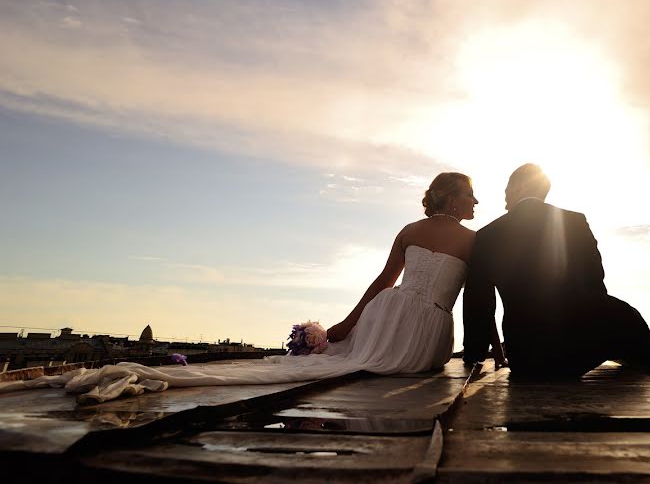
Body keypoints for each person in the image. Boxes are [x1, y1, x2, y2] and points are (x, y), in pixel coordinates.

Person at [0, 172, 506, 404]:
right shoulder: (475, 240)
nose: (477, 200)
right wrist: (494, 347)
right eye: (470, 193)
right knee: (398, 367)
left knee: (346, 358)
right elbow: (479, 297)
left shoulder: (409, 231)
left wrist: (349, 325)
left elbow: (382, 283)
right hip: (427, 331)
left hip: (387, 314)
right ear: (452, 198)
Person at [463, 163, 650, 379]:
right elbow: (594, 281)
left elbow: (478, 302)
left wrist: (474, 354)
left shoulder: (487, 235)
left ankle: (647, 347)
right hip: (579, 351)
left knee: (622, 319)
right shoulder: (574, 221)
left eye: (506, 189)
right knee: (624, 314)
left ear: (519, 187)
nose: (504, 197)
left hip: (527, 358)